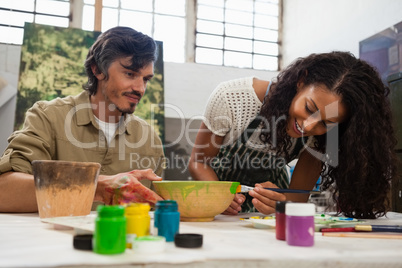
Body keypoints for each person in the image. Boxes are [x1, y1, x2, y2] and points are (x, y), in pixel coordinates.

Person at [189, 51, 398, 219]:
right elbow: (198, 161)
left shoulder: (322, 138)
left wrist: (281, 203)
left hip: (267, 221)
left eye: (325, 123)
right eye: (309, 108)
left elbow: (297, 197)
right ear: (301, 81)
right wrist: (218, 196)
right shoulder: (232, 97)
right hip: (215, 210)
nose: (308, 126)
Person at [0, 26, 165, 213]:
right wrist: (95, 186)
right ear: (97, 69)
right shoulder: (48, 117)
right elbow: (4, 191)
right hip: (54, 240)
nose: (140, 88)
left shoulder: (151, 141)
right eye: (130, 74)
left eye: (145, 79)